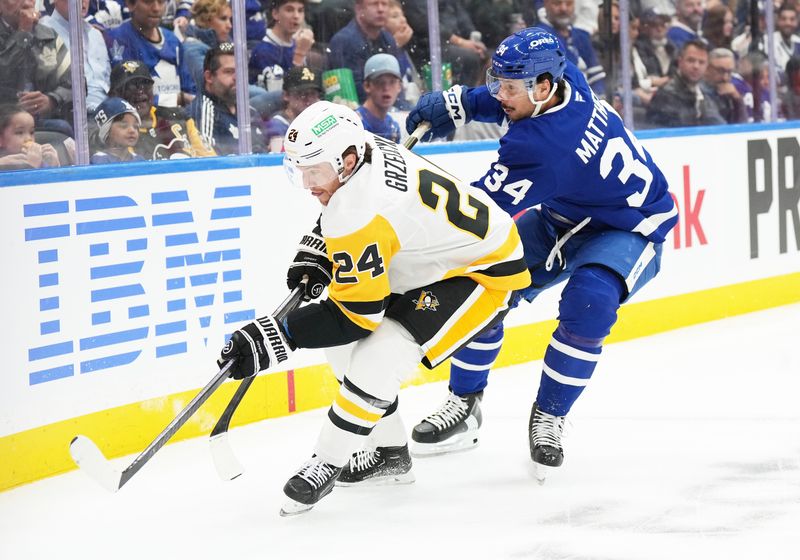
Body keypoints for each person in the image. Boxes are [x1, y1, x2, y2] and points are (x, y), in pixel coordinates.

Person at [218, 100, 530, 514]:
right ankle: (388, 454)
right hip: (431, 255)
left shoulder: (357, 212)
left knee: (381, 353)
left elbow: (357, 316)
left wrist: (279, 334)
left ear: (346, 160)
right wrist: (322, 249)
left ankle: (328, 459)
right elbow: (354, 209)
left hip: (482, 271)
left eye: (315, 170)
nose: (307, 182)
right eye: (299, 169)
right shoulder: (364, 146)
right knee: (341, 349)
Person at [401, 27, 677, 481]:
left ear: (543, 86)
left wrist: (406, 206)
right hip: (563, 214)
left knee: (591, 300)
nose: (501, 95)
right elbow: (512, 100)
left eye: (511, 87)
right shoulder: (568, 80)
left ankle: (550, 415)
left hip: (631, 223)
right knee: (481, 287)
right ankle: (465, 404)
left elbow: (478, 213)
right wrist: (465, 103)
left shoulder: (540, 146)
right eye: (499, 83)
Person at [107, 59, 215, 159]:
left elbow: (211, 161)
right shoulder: (116, 132)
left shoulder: (179, 117)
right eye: (130, 86)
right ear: (114, 95)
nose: (140, 91)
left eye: (145, 84)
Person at [107, 0, 196, 107]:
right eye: (148, 2)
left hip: (178, 120)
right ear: (131, 4)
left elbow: (190, 89)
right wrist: (179, 99)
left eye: (161, 2)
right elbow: (128, 97)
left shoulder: (173, 40)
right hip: (143, 121)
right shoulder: (118, 40)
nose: (156, 8)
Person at [0, 0, 73, 126]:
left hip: (47, 124)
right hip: (4, 124)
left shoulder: (50, 36)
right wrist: (23, 33)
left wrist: (52, 100)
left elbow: (77, 84)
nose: (26, 3)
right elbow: (4, 77)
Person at [188, 43, 267, 155]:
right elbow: (210, 164)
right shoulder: (203, 112)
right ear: (209, 77)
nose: (237, 78)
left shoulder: (250, 112)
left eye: (241, 71)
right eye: (229, 72)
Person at [326, 0, 405, 103]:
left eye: (384, 4)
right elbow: (352, 93)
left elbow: (397, 82)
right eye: (374, 4)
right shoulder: (344, 40)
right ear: (358, 8)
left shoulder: (388, 39)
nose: (380, 9)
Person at [39, 0, 110, 113]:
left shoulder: (95, 35)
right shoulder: (43, 32)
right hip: (70, 113)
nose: (82, 2)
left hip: (106, 111)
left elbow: (107, 82)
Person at [646, 39, 726, 127]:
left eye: (701, 62)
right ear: (680, 62)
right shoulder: (665, 96)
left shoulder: (706, 94)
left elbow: (721, 126)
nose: (696, 66)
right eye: (691, 60)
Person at [537, 0, 606, 96]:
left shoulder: (581, 36)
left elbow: (597, 77)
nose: (563, 9)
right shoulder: (539, 38)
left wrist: (599, 98)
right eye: (557, 3)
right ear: (545, 4)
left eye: (569, 3)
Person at [249, 0, 315, 91]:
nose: (296, 16)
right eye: (289, 10)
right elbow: (280, 94)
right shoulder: (263, 49)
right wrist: (299, 54)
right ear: (275, 13)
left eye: (300, 11)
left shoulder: (298, 43)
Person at [263, 65, 323, 152]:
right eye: (301, 94)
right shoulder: (277, 125)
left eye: (312, 94)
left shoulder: (319, 120)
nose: (307, 99)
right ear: (286, 95)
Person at [356, 53, 402, 142]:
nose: (386, 88)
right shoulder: (355, 124)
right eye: (379, 82)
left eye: (392, 82)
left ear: (399, 87)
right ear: (367, 86)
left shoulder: (393, 128)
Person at [0, 103, 59, 169]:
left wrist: (54, 166)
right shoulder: (2, 164)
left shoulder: (41, 162)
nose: (28, 138)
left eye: (31, 132)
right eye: (19, 132)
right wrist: (31, 167)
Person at [90, 97, 146, 164]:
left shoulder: (139, 160)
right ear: (107, 131)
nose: (132, 130)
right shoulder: (99, 161)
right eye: (124, 126)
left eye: (135, 126)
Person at [702, 48, 748, 124]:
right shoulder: (698, 93)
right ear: (707, 68)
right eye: (720, 71)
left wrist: (737, 99)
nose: (725, 78)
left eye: (729, 72)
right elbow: (719, 127)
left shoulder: (729, 93)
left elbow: (743, 127)